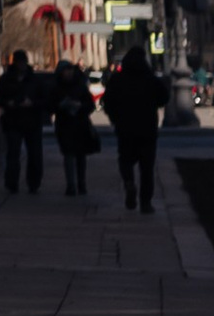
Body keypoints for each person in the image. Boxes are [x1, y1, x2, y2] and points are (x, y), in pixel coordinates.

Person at [102, 46, 165, 213]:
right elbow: (163, 97)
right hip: (147, 129)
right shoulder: (149, 79)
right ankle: (145, 202)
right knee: (147, 168)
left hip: (125, 128)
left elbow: (107, 102)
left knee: (125, 160)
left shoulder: (118, 79)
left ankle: (129, 182)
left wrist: (115, 119)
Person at [0, 52, 49, 195]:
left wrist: (32, 103)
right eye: (19, 62)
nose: (21, 65)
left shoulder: (34, 80)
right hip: (13, 120)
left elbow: (44, 99)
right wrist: (8, 103)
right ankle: (12, 183)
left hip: (32, 120)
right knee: (13, 153)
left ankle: (34, 183)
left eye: (23, 62)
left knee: (35, 154)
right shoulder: (6, 79)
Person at [50, 69, 100, 199]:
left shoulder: (80, 87)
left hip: (80, 124)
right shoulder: (57, 88)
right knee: (68, 155)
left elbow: (90, 105)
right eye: (65, 72)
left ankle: (81, 183)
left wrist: (79, 105)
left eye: (69, 72)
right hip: (64, 125)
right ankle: (71, 185)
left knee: (80, 156)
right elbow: (50, 105)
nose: (67, 74)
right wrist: (61, 106)